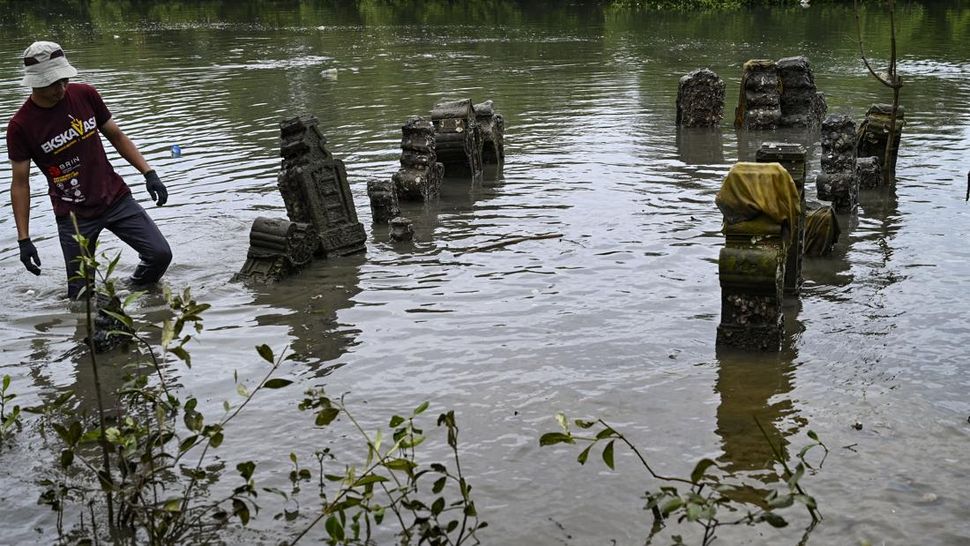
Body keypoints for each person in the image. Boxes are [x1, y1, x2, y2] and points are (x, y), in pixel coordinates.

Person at [7, 41, 172, 299]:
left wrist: (149, 173)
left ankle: (134, 293)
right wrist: (24, 240)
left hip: (114, 197)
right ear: (34, 82)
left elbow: (116, 135)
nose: (61, 88)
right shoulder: (21, 125)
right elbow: (20, 183)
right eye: (53, 83)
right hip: (73, 215)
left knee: (160, 254)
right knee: (82, 295)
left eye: (63, 80)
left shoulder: (85, 94)